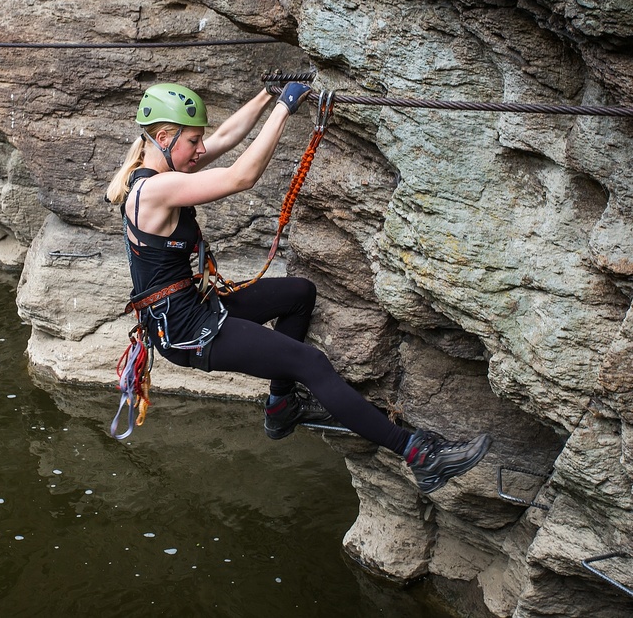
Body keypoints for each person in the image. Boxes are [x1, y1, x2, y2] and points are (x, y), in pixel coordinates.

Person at [106, 81, 491, 494]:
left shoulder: (160, 171)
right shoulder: (157, 189)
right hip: (188, 331)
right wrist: (285, 109)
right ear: (164, 139)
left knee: (298, 294)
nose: (201, 150)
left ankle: (281, 405)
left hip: (194, 306)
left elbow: (223, 139)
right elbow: (242, 176)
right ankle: (420, 456)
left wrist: (266, 95)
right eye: (192, 142)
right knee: (311, 363)